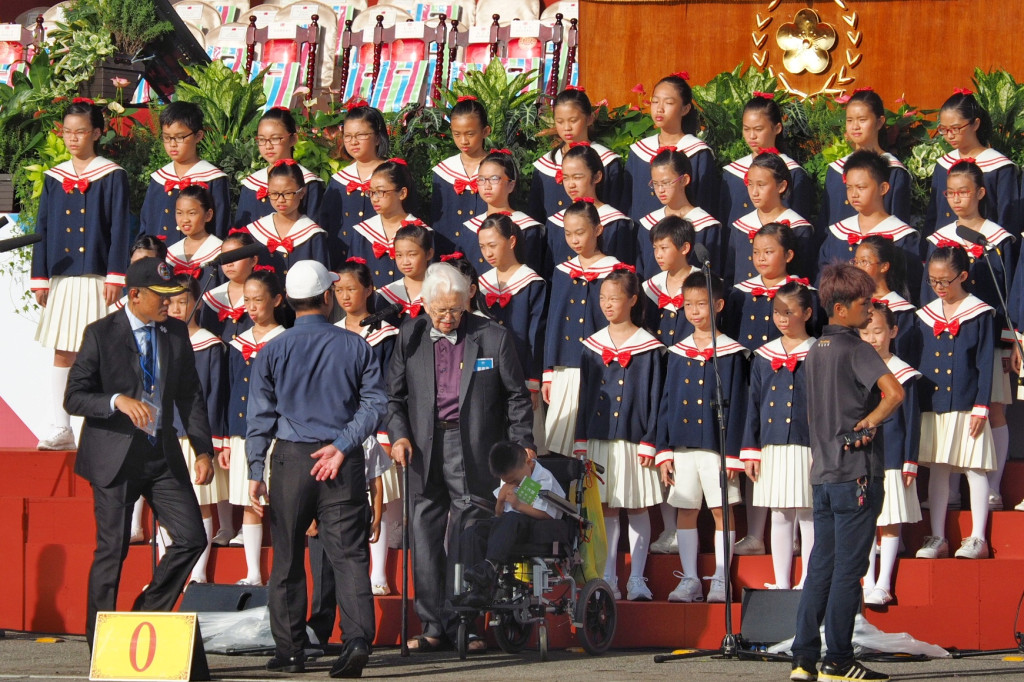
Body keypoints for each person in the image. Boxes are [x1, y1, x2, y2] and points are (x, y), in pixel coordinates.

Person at [246, 260, 386, 677]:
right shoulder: (356, 345)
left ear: (288, 300)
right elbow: (375, 405)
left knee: (287, 557)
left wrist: (255, 469)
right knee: (348, 555)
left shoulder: (272, 349)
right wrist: (342, 446)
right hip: (341, 460)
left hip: (290, 459)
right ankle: (357, 638)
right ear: (327, 297)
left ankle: (290, 651)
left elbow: (259, 417)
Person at [65, 257, 214, 648]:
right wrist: (116, 400)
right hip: (115, 456)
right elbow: (74, 397)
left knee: (191, 537)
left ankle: (144, 615)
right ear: (134, 295)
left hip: (160, 452)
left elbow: (190, 395)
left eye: (173, 296)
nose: (170, 303)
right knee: (112, 550)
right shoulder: (100, 333)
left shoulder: (176, 333)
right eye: (161, 297)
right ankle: (98, 641)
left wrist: (202, 450)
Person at [386, 263, 535, 652]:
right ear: (425, 304)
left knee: (467, 536)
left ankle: (465, 624)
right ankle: (433, 624)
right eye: (441, 310)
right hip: (422, 447)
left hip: (471, 446)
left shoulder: (492, 337)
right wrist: (399, 436)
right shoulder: (410, 334)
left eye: (456, 309)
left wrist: (523, 444)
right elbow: (393, 397)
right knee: (424, 536)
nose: (449, 318)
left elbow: (518, 397)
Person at [789, 263, 904, 682]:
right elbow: (895, 394)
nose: (871, 311)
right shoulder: (858, 349)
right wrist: (870, 423)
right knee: (848, 570)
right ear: (840, 309)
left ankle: (803, 660)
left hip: (822, 474)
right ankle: (838, 659)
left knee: (821, 564)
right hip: (856, 473)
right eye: (864, 304)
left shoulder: (814, 350)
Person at [32, 100, 131, 451]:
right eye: (67, 131)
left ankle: (101, 430)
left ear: (97, 133)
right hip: (62, 276)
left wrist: (117, 275)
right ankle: (61, 427)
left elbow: (121, 227)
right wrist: (40, 276)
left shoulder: (112, 175)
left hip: (99, 278)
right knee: (63, 352)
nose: (73, 138)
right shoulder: (54, 176)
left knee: (103, 354)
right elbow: (42, 227)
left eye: (81, 132)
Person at [922, 159, 1014, 511]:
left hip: (988, 335)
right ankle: (953, 491)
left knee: (993, 407)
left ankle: (991, 486)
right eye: (951, 193)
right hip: (947, 339)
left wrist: (1011, 338)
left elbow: (1010, 291)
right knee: (950, 411)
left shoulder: (999, 238)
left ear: (980, 193)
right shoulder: (938, 240)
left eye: (964, 192)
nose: (957, 199)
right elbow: (926, 291)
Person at [656, 271, 747, 603]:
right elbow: (665, 402)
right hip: (682, 445)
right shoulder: (677, 352)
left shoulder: (733, 352)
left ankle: (722, 579)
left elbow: (738, 403)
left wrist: (734, 453)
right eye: (688, 305)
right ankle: (691, 578)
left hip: (717, 447)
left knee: (722, 509)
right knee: (686, 509)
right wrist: (664, 451)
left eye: (702, 304)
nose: (694, 312)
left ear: (718, 305)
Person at [574, 268, 664, 601]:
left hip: (634, 440)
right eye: (602, 298)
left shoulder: (650, 347)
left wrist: (651, 439)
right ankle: (607, 576)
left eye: (614, 298)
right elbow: (584, 397)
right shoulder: (591, 345)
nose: (607, 305)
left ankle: (637, 578)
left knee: (637, 507)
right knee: (607, 508)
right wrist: (581, 440)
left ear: (632, 300)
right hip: (599, 440)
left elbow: (656, 398)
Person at [913, 245, 995, 561]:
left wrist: (981, 405)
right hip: (934, 404)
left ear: (962, 276)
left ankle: (977, 537)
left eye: (945, 281)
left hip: (966, 403)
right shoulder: (925, 314)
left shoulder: (979, 313)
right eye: (933, 281)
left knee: (974, 468)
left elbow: (985, 362)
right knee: (938, 468)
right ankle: (938, 536)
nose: (939, 287)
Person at [740, 280, 816, 589]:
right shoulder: (763, 356)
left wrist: (822, 448)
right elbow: (754, 404)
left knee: (808, 513)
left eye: (790, 312)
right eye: (777, 312)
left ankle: (809, 580)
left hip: (807, 446)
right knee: (780, 513)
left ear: (807, 313)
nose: (782, 319)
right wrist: (751, 449)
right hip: (772, 446)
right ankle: (782, 583)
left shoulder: (819, 353)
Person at [543, 199, 623, 457]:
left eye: (580, 232)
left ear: (598, 230)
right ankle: (557, 497)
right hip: (566, 368)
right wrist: (548, 372)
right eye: (568, 233)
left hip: (602, 367)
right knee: (559, 444)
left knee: (594, 445)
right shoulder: (562, 271)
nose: (574, 240)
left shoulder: (615, 271)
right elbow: (554, 322)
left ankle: (589, 498)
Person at [164, 274, 228, 585]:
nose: (176, 308)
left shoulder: (209, 345)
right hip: (165, 435)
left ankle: (198, 574)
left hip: (195, 438)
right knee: (168, 505)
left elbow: (214, 396)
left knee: (200, 503)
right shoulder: (159, 341)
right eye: (171, 301)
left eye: (183, 301)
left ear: (197, 302)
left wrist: (210, 443)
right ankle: (170, 574)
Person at [224, 270, 287, 585]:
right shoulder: (238, 342)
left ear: (276, 300)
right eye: (246, 300)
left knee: (280, 502)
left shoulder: (286, 339)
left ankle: (282, 574)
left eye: (258, 300)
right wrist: (225, 440)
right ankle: (253, 573)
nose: (251, 306)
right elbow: (231, 390)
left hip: (279, 434)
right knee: (250, 501)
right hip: (243, 434)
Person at [641, 216, 699, 556]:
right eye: (655, 248)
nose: (659, 254)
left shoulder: (700, 284)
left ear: (685, 248)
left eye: (664, 247)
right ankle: (669, 527)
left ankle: (687, 524)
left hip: (690, 376)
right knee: (660, 445)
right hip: (658, 373)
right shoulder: (651, 288)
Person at [859, 301, 921, 607]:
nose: (872, 338)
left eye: (878, 331)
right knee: (866, 519)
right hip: (862, 455)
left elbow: (912, 421)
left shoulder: (904, 373)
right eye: (865, 331)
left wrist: (910, 460)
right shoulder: (855, 369)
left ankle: (884, 584)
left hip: (894, 456)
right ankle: (867, 581)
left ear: (893, 331)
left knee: (890, 519)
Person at [459, 441, 566, 605]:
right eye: (507, 480)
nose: (512, 483)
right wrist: (500, 502)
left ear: (528, 463)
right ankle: (476, 587)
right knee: (474, 529)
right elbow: (499, 514)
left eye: (515, 480)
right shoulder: (510, 476)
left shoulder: (542, 477)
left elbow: (548, 514)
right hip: (508, 525)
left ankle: (489, 567)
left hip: (535, 524)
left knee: (510, 519)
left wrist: (518, 505)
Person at [817, 150, 922, 303]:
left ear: (883, 188)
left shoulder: (903, 237)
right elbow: (822, 281)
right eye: (849, 188)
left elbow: (910, 288)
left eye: (861, 187)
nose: (854, 194)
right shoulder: (837, 233)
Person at [924, 89, 1019, 242]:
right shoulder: (943, 165)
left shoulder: (999, 167)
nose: (949, 135)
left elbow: (1008, 218)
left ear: (975, 124)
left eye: (955, 128)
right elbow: (934, 215)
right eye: (943, 129)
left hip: (986, 252)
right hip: (947, 252)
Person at [818, 89, 913, 236]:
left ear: (880, 122)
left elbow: (899, 226)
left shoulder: (893, 171)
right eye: (850, 120)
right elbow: (826, 221)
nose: (855, 126)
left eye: (862, 120)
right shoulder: (835, 170)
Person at [625, 73, 718, 220]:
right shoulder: (639, 152)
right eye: (655, 102)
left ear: (685, 109)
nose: (659, 109)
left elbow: (706, 203)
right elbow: (630, 204)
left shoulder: (697, 153)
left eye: (668, 103)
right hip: (643, 237)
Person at [528, 87, 625, 223]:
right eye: (560, 122)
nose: (567, 128)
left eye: (573, 120)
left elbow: (615, 212)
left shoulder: (607, 162)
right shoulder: (545, 166)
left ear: (590, 118)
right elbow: (537, 217)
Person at [719, 92, 814, 231]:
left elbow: (798, 224)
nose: (751, 136)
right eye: (746, 129)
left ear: (777, 128)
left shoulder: (793, 172)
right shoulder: (732, 173)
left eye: (758, 129)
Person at [140, 101, 231, 241]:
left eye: (179, 137)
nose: (172, 144)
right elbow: (146, 226)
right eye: (166, 137)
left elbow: (220, 229)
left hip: (198, 259)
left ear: (198, 136)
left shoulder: (213, 179)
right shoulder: (159, 178)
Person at [726, 222, 819, 353]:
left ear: (788, 255)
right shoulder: (741, 292)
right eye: (756, 252)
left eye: (768, 252)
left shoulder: (803, 292)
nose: (761, 258)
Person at [724, 150, 813, 286]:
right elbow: (731, 276)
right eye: (750, 184)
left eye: (761, 185)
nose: (754, 192)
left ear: (781, 186)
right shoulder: (741, 226)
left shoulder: (799, 228)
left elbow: (803, 276)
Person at [545, 145, 635, 275]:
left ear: (597, 176)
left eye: (577, 177)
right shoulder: (555, 222)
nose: (571, 184)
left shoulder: (615, 222)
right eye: (565, 178)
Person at [636, 148, 720, 280]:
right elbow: (643, 271)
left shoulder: (706, 226)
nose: (660, 190)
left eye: (666, 183)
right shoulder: (648, 224)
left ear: (684, 180)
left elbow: (714, 275)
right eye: (656, 184)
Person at [321, 102, 389, 265]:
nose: (353, 142)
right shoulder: (339, 180)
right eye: (348, 136)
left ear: (378, 137)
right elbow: (327, 223)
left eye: (361, 135)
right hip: (344, 261)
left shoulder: (393, 173)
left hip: (383, 259)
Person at [236, 107, 325, 228]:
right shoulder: (252, 184)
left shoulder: (309, 183)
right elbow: (240, 230)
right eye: (262, 139)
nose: (268, 146)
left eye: (275, 139)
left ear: (293, 139)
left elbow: (314, 229)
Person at [459, 150, 544, 274]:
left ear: (511, 185)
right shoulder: (469, 229)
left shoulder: (526, 228)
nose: (487, 186)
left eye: (494, 179)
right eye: (481, 179)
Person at [244, 160, 329, 283]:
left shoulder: (314, 235)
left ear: (302, 192)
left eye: (288, 193)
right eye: (274, 193)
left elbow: (322, 279)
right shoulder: (255, 231)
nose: (280, 200)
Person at [349, 159, 428, 288]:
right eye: (371, 192)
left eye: (381, 192)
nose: (374, 198)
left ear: (402, 193)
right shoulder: (362, 233)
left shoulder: (422, 233)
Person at [430, 96, 491, 256]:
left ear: (485, 131)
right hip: (451, 251)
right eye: (457, 134)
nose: (463, 141)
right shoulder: (444, 171)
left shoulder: (497, 168)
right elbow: (439, 222)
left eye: (470, 134)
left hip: (487, 252)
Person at [852, 235, 917, 359]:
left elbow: (902, 353)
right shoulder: (851, 302)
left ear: (884, 266)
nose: (858, 268)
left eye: (864, 262)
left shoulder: (901, 310)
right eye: (856, 261)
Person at [165, 184, 223, 283]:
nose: (185, 219)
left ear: (208, 215)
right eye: (179, 213)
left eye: (192, 213)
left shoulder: (220, 251)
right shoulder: (171, 253)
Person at [379, 222, 434, 321]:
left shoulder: (440, 291)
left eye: (412, 254)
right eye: (399, 255)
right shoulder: (386, 295)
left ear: (429, 254)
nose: (405, 262)